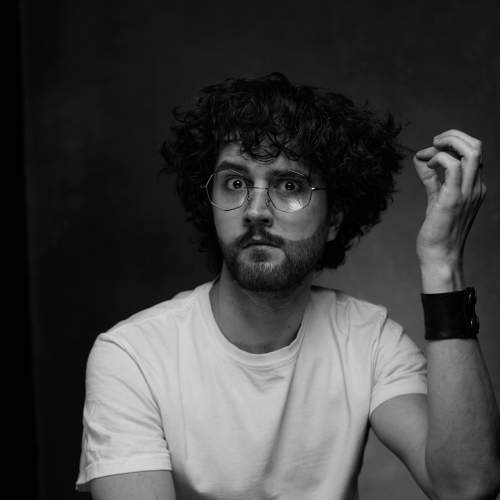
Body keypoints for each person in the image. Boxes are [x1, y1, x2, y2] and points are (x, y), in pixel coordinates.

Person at [76, 73, 500, 499]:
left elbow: (466, 486)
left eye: (290, 185)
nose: (255, 210)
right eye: (235, 183)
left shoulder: (369, 341)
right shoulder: (133, 357)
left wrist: (442, 261)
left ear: (334, 219)